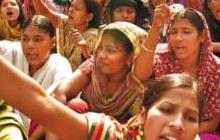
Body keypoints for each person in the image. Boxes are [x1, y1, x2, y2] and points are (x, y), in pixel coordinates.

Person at [0, 56, 204, 140]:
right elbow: (41, 103)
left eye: (190, 118)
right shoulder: (110, 135)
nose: (178, 124)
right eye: (167, 110)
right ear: (143, 115)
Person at [139, 2, 220, 139]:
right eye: (173, 32)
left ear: (201, 37)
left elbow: (212, 122)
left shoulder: (216, 69)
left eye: (186, 32)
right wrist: (155, 28)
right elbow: (140, 75)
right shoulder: (161, 56)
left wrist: (182, 132)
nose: (178, 38)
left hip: (197, 131)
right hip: (157, 127)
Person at [0, 15, 72, 137]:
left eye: (38, 40)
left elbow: (58, 107)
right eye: (25, 39)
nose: (30, 45)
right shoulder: (14, 52)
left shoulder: (60, 64)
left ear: (53, 42)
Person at [32, 0, 101, 70]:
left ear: (89, 17)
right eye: (71, 6)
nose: (70, 10)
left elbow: (92, 68)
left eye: (77, 9)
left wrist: (84, 49)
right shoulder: (69, 23)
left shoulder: (93, 36)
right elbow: (45, 13)